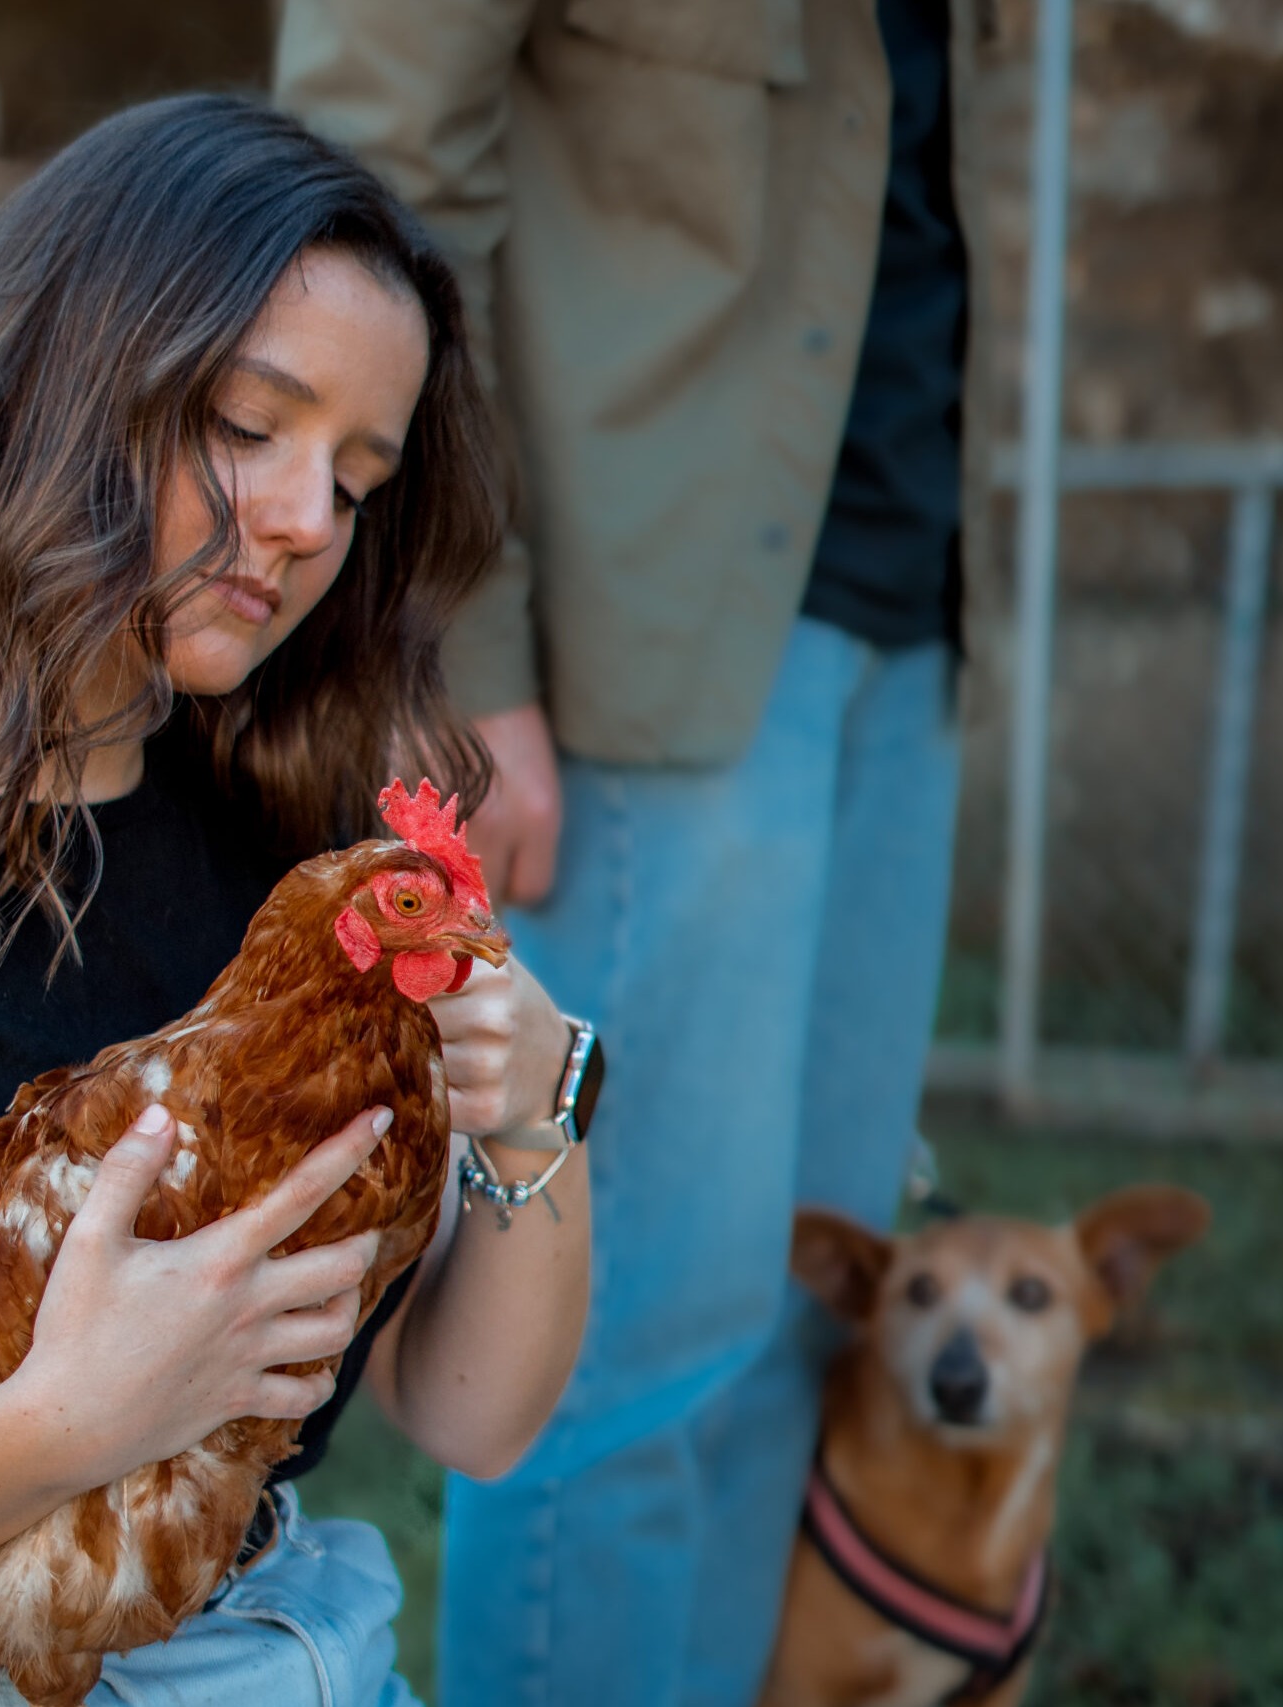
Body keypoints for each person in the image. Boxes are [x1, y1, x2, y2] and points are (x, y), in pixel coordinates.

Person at [0, 94, 593, 1707]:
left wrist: (541, 1114)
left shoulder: (310, 865)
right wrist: (65, 1426)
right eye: (245, 422)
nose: (303, 525)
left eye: (358, 479)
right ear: (69, 376)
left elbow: (473, 1413)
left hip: (284, 1644)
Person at [276, 3, 992, 1702]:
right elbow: (376, 164)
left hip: (906, 612)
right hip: (634, 642)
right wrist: (455, 643)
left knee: (794, 1332)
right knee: (626, 1359)